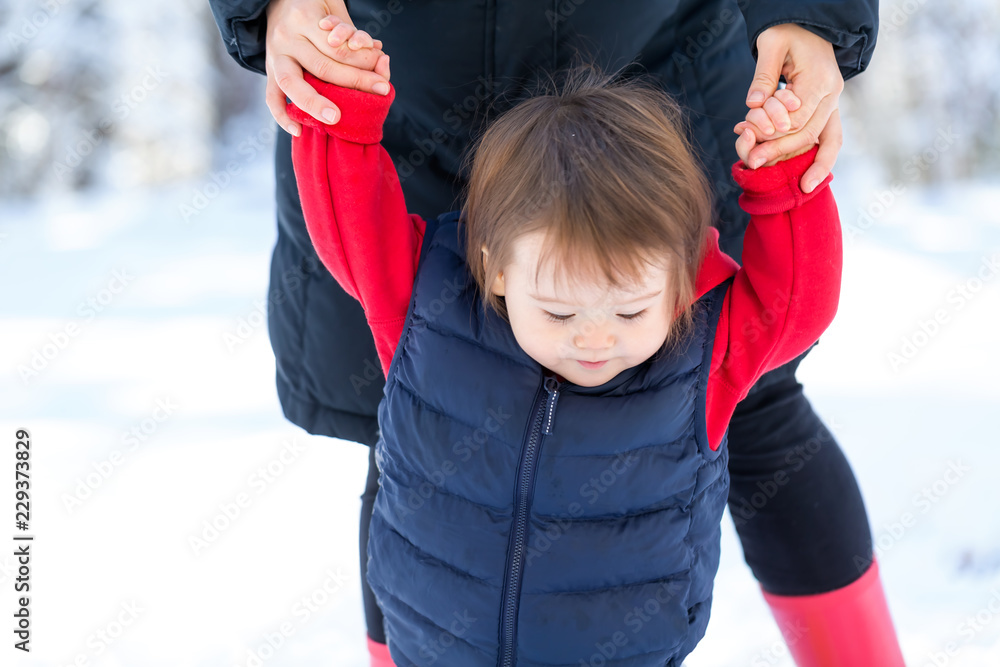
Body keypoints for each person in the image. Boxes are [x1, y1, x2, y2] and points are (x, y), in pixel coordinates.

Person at [208, 1, 905, 665]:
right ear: (494, 271)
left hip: (656, 84)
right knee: (403, 445)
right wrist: (336, 101)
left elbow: (792, 303)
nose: (595, 339)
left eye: (631, 311)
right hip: (416, 87)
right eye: (561, 313)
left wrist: (788, 176)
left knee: (769, 422)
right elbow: (350, 226)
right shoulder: (430, 306)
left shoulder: (702, 347)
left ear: (682, 282)